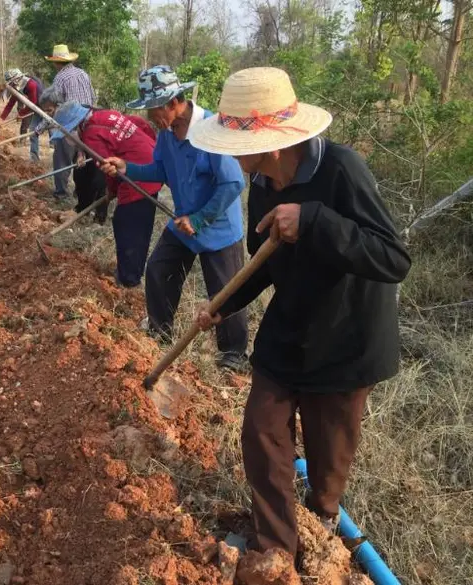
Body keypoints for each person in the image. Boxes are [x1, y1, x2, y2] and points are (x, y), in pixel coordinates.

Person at [188, 67, 411, 558]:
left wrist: (313, 218)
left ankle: (323, 523)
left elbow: (393, 259)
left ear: (269, 145)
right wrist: (224, 305)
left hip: (346, 337)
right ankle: (275, 549)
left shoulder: (342, 169)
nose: (230, 155)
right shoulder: (262, 183)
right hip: (290, 329)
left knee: (329, 455)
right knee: (261, 431)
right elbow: (264, 263)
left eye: (236, 145)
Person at [101, 66, 248, 372]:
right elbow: (159, 170)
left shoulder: (211, 129)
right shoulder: (167, 135)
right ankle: (160, 330)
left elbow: (233, 183)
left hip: (217, 227)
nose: (151, 116)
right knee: (158, 269)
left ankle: (233, 355)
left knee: (225, 294)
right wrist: (127, 168)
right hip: (182, 223)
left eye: (155, 109)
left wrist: (201, 218)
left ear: (173, 102)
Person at [52, 101, 163, 287]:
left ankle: (128, 279)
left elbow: (108, 166)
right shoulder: (104, 115)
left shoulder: (91, 135)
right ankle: (131, 272)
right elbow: (140, 124)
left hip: (138, 176)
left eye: (67, 133)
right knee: (139, 225)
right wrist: (152, 148)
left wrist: (111, 190)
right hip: (152, 166)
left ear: (75, 126)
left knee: (126, 223)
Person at [34, 44, 96, 200]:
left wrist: (39, 128)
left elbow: (53, 107)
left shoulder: (60, 78)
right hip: (88, 123)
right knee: (82, 160)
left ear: (56, 62)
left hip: (70, 125)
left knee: (62, 160)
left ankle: (61, 194)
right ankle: (81, 194)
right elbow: (93, 98)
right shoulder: (83, 73)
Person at [0, 68, 44, 162]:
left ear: (16, 79)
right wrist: (0, 119)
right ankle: (35, 160)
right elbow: (10, 104)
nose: (11, 85)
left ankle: (54, 148)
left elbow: (33, 102)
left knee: (53, 128)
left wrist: (21, 113)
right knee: (33, 131)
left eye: (11, 83)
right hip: (34, 107)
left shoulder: (31, 84)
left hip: (44, 106)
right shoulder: (18, 87)